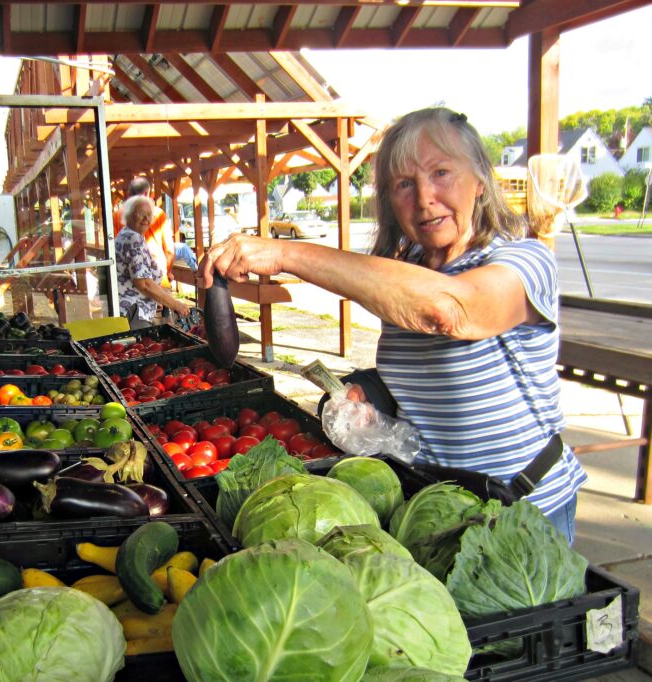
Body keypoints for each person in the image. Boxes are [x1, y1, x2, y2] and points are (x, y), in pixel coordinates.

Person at [196, 107, 586, 543]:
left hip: (525, 513)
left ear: (479, 180)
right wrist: (371, 396)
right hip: (435, 510)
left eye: (441, 173)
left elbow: (453, 312)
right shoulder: (407, 274)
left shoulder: (522, 260)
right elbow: (426, 376)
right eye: (404, 184)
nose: (424, 198)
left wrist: (286, 255)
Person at [116, 195, 191, 329]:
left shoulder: (129, 234)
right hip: (134, 312)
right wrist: (176, 304)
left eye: (149, 214)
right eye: (141, 214)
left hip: (132, 310)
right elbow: (144, 284)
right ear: (129, 216)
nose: (146, 219)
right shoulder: (134, 239)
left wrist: (158, 297)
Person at [113, 177, 174, 286]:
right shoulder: (158, 213)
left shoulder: (117, 215)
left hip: (130, 278)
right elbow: (169, 250)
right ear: (146, 194)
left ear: (129, 194)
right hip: (157, 273)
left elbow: (114, 249)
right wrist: (167, 272)